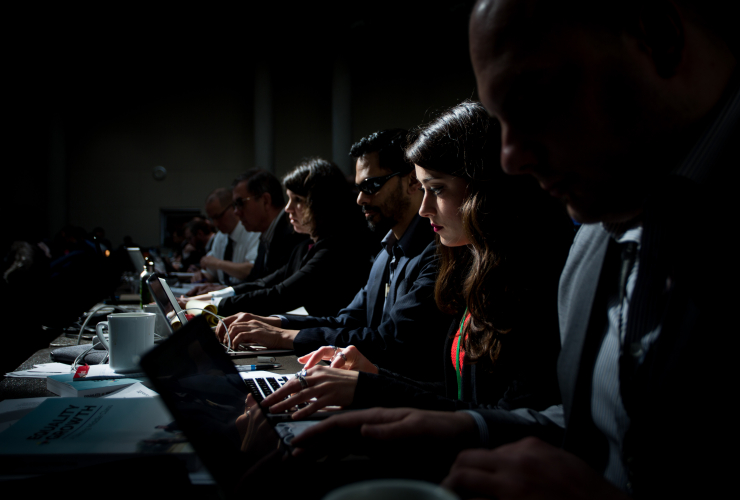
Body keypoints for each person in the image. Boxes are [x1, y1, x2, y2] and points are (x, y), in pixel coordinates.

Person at [289, 1, 738, 498]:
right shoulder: (595, 237)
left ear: (657, 39)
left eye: (532, 99)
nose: (511, 159)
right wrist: (465, 427)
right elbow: (588, 432)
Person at [260, 101, 572, 420]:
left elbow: (506, 419)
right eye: (423, 189)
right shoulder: (473, 269)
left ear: (485, 188)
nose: (424, 208)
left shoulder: (533, 284)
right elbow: (457, 396)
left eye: (436, 189)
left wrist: (373, 387)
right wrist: (377, 379)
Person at [216, 129, 451, 380]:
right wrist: (276, 323)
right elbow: (346, 320)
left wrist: (280, 335)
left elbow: (388, 342)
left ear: (412, 182)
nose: (360, 199)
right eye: (359, 188)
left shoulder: (437, 255)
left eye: (371, 186)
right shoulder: (386, 251)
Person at [186, 158, 373, 318]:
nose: (288, 208)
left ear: (321, 203)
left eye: (297, 200)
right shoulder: (306, 246)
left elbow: (281, 295)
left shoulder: (335, 249)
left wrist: (212, 306)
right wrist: (212, 298)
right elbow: (266, 283)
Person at [189, 169, 308, 296]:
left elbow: (278, 292)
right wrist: (222, 292)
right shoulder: (266, 234)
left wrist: (221, 298)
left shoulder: (294, 233)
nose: (236, 212)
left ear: (265, 201)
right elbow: (257, 283)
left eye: (240, 203)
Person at [192, 187, 260, 288]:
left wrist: (219, 264)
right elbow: (213, 273)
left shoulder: (252, 232)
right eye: (211, 219)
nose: (215, 223)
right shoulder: (220, 236)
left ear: (233, 208)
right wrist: (202, 276)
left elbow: (251, 269)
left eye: (218, 216)